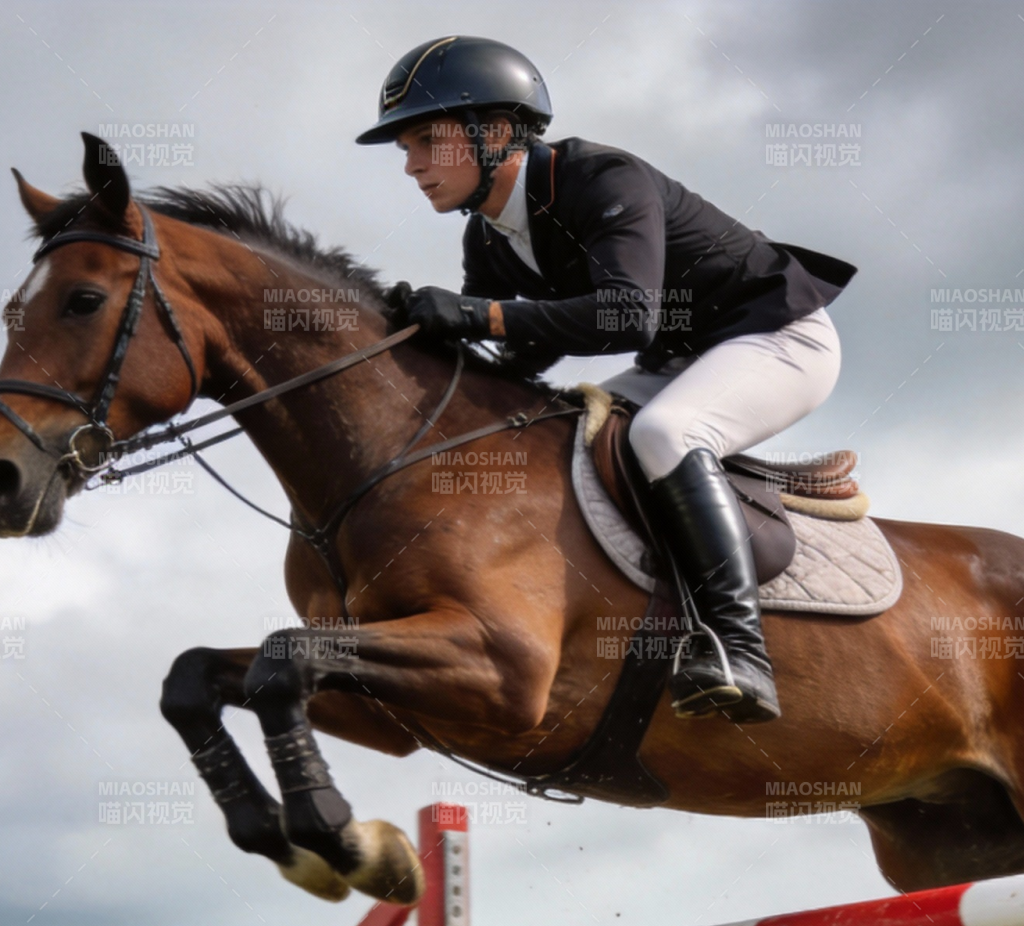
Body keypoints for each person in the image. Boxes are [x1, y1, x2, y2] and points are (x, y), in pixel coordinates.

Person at [358, 36, 855, 723]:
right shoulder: (489, 237)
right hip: (678, 362)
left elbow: (626, 316)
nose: (411, 166)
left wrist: (479, 313)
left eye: (426, 141)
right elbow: (519, 360)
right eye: (404, 149)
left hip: (777, 336)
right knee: (560, 437)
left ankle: (740, 651)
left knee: (664, 431)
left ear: (496, 131)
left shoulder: (600, 179)